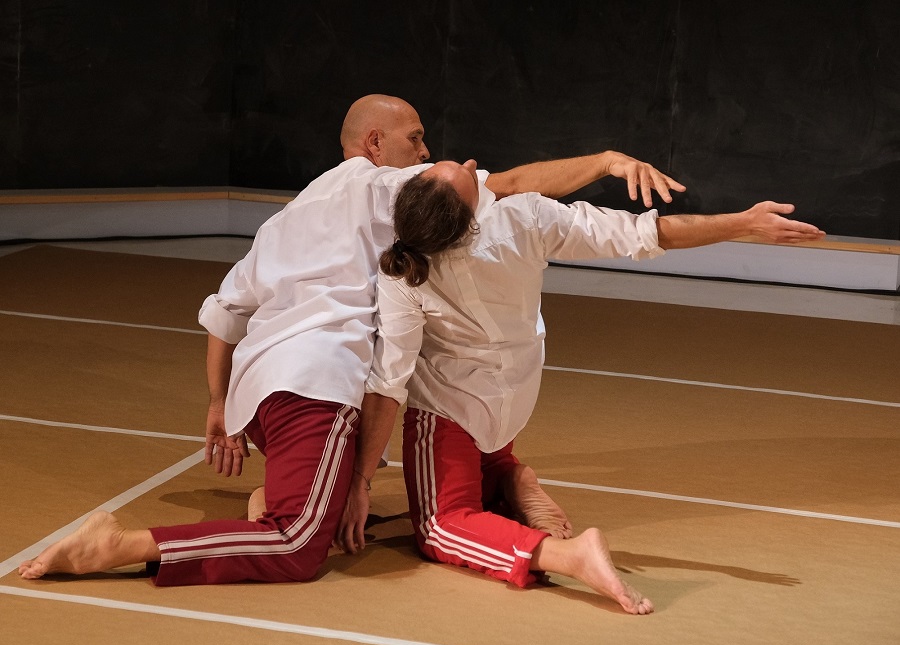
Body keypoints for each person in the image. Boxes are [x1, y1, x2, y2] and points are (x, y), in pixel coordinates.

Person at [18, 95, 683, 585]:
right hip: (316, 378)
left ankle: (481, 475)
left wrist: (219, 407)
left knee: (324, 504)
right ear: (374, 143)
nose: (426, 155)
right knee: (301, 543)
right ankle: (121, 544)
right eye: (417, 141)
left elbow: (223, 316)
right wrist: (603, 159)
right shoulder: (386, 186)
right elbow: (505, 185)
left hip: (259, 398)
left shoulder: (291, 213)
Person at [342, 159, 825, 614]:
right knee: (482, 467)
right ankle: (509, 474)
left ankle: (568, 555)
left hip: (454, 412)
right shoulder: (526, 220)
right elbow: (648, 233)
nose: (473, 166)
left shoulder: (403, 272)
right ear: (471, 216)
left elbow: (390, 383)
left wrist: (361, 482)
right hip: (513, 404)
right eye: (467, 173)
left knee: (439, 528)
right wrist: (743, 223)